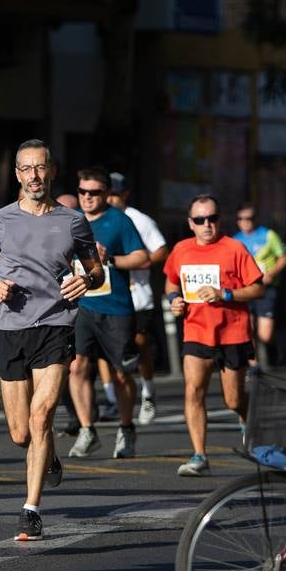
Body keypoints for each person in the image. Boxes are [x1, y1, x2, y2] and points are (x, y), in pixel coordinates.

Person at [0, 139, 103, 541]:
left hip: (56, 324)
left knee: (42, 414)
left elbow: (96, 270)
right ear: (17, 174)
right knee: (20, 433)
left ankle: (30, 509)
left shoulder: (73, 221)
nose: (34, 176)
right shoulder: (0, 220)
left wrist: (87, 279)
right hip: (10, 328)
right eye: (26, 169)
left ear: (52, 170)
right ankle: (48, 454)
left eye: (40, 168)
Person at [164, 194, 264, 477]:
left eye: (212, 218)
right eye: (200, 220)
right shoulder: (181, 250)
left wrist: (226, 294)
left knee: (233, 400)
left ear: (220, 219)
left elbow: (258, 289)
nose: (207, 225)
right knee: (193, 391)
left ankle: (246, 419)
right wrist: (174, 298)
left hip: (232, 331)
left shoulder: (235, 248)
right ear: (190, 223)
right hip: (195, 331)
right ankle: (199, 455)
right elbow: (171, 280)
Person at [66, 167, 149, 459]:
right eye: (83, 192)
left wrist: (110, 258)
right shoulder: (71, 220)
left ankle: (126, 428)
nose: (88, 197)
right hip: (81, 306)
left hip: (115, 308)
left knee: (121, 373)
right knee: (76, 367)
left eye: (95, 192)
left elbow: (143, 257)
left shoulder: (119, 221)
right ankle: (87, 429)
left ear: (106, 194)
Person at [107, 173, 168, 425]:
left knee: (140, 343)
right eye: (106, 194)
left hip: (137, 294)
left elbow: (162, 250)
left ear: (125, 195)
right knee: (107, 350)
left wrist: (140, 262)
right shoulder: (97, 220)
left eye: (115, 195)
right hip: (108, 295)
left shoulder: (139, 220)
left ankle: (149, 391)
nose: (110, 199)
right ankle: (112, 398)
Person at [232, 203, 286, 367]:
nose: (245, 222)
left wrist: (271, 273)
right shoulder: (235, 240)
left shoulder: (268, 235)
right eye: (241, 219)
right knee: (247, 329)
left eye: (249, 218)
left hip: (266, 289)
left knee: (265, 334)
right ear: (237, 221)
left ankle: (273, 349)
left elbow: (285, 256)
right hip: (246, 290)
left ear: (255, 219)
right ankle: (254, 367)